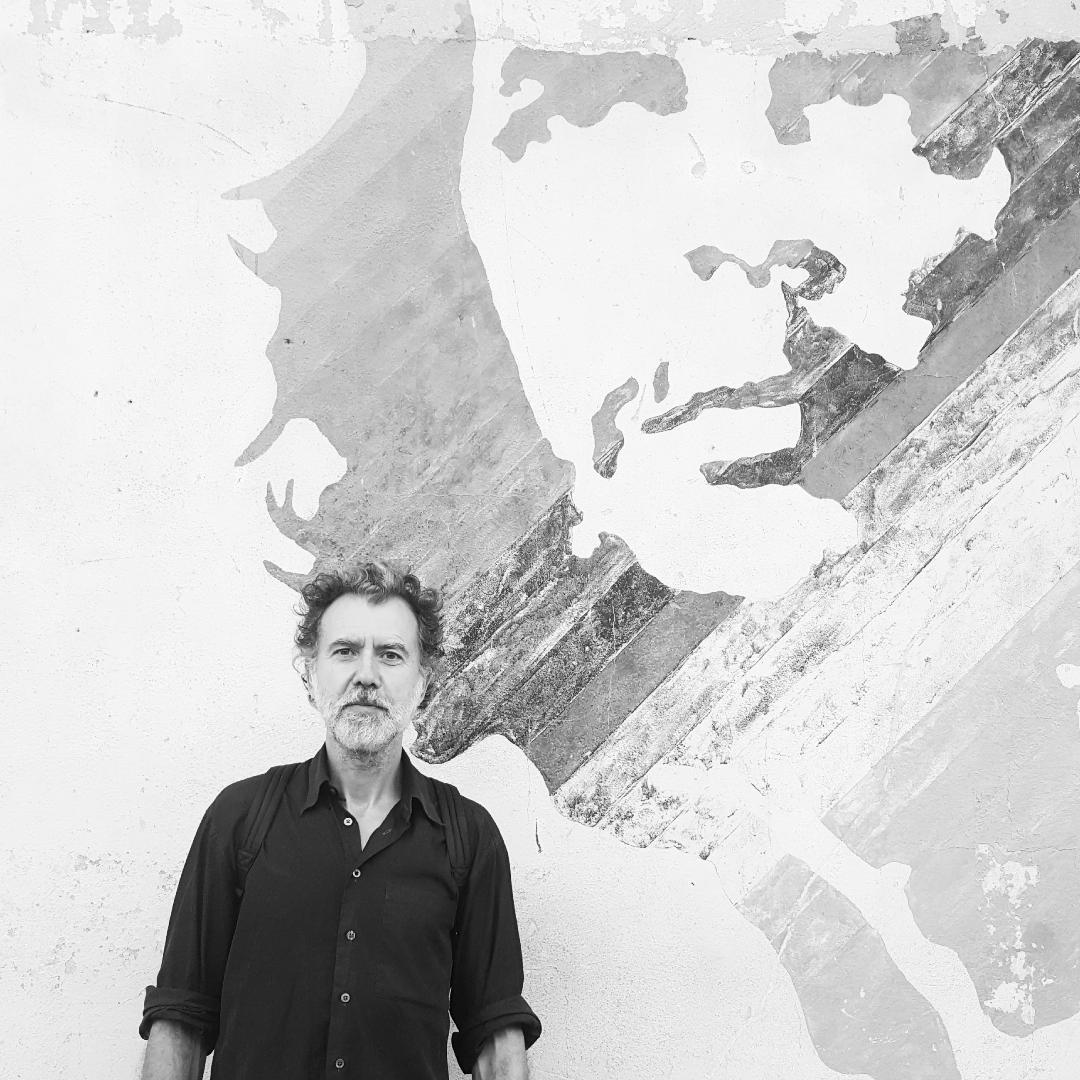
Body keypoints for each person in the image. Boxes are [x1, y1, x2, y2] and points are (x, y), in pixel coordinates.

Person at [139, 561, 540, 1080]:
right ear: (310, 674)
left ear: (423, 681)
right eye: (345, 651)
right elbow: (181, 1017)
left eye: (391, 654)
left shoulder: (468, 837)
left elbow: (495, 1035)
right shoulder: (239, 819)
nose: (366, 675)